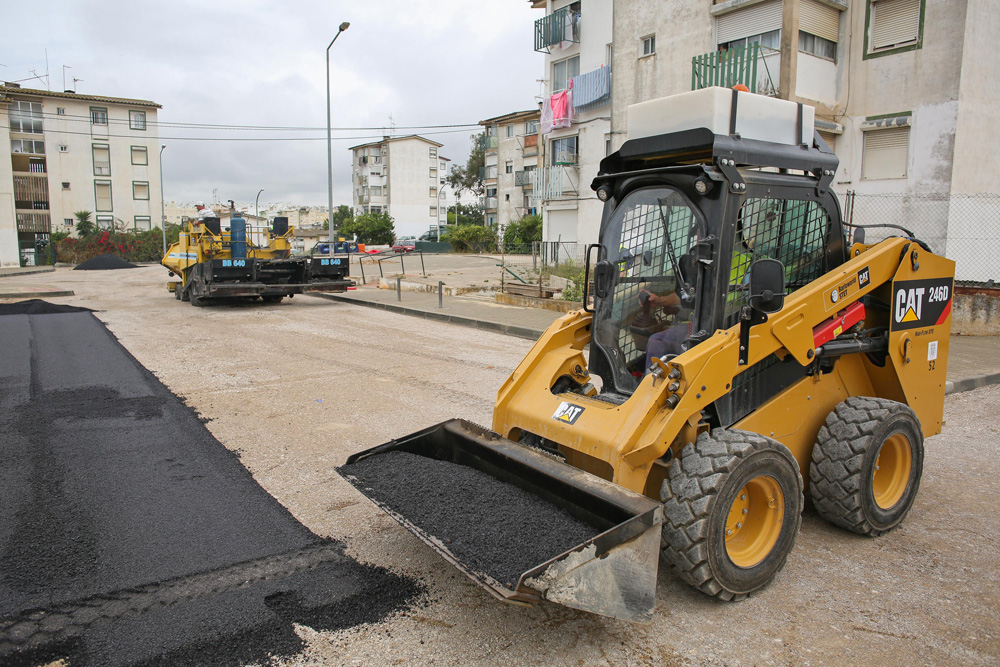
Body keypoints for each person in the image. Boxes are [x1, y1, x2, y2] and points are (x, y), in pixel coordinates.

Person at [638, 289, 693, 370]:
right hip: (689, 324)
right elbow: (684, 296)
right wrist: (660, 301)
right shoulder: (691, 282)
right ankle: (651, 378)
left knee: (687, 352)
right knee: (655, 341)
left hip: (708, 328)